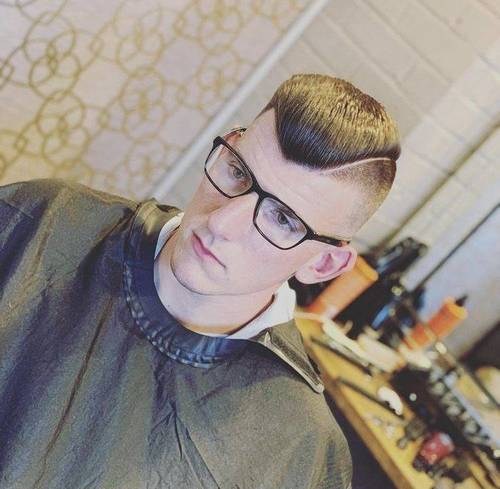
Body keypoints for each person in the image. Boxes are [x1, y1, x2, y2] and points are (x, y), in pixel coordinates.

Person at [0, 74, 400, 489]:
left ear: (324, 264)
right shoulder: (42, 221)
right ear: (229, 143)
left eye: (282, 219)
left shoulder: (297, 448)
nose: (221, 223)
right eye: (238, 171)